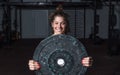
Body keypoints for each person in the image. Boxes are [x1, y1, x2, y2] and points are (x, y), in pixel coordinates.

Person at [28, 5, 93, 71]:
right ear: (52, 24)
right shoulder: (45, 45)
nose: (59, 26)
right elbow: (40, 64)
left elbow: (81, 60)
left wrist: (88, 61)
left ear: (66, 25)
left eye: (62, 23)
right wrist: (33, 65)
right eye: (56, 23)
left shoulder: (73, 44)